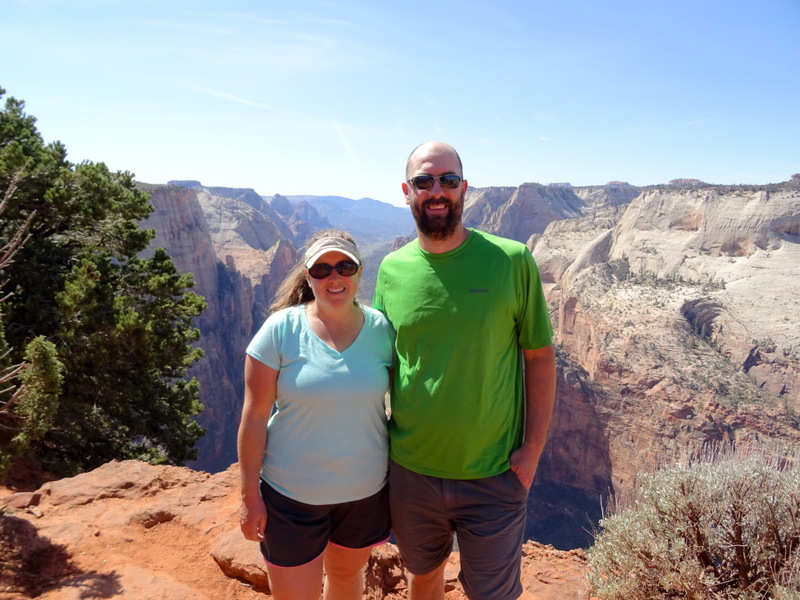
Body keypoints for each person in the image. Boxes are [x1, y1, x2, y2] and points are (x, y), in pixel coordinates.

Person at [372, 141, 557, 600]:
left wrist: (532, 452)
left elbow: (539, 357)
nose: (437, 191)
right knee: (423, 577)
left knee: (492, 594)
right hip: (411, 471)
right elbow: (381, 368)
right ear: (407, 190)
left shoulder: (512, 260)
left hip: (494, 473)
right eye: (424, 181)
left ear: (464, 189)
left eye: (448, 181)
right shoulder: (391, 270)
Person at [237, 229, 394, 600]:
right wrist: (248, 496)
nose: (334, 277)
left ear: (359, 271)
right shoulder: (280, 330)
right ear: (308, 276)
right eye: (322, 269)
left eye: (344, 266)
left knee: (345, 579)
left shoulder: (382, 330)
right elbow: (255, 417)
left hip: (365, 495)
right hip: (291, 497)